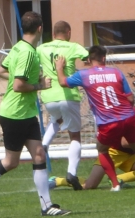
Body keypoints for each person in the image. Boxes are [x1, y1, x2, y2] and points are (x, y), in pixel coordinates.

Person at [0, 11, 71, 217]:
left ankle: (46, 206)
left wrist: (28, 78)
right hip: (15, 113)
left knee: (39, 154)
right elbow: (19, 86)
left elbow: (1, 71)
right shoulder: (28, 52)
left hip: (26, 113)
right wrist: (40, 84)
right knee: (11, 162)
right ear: (40, 29)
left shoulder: (18, 48)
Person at [55, 45, 135, 192]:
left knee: (102, 148)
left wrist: (59, 67)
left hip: (108, 122)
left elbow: (63, 82)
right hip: (128, 117)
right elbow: (130, 99)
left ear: (89, 60)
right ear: (104, 58)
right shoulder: (116, 72)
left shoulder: (84, 74)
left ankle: (116, 184)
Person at [48, 89, 135, 190]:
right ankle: (57, 181)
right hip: (113, 152)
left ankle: (120, 179)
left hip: (130, 155)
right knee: (89, 186)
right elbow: (124, 142)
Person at [36, 21, 89, 190]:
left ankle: (44, 144)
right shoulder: (72, 46)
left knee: (56, 119)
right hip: (68, 94)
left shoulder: (41, 48)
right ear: (69, 32)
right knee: (75, 136)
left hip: (48, 95)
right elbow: (87, 57)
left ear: (53, 34)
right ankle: (71, 173)